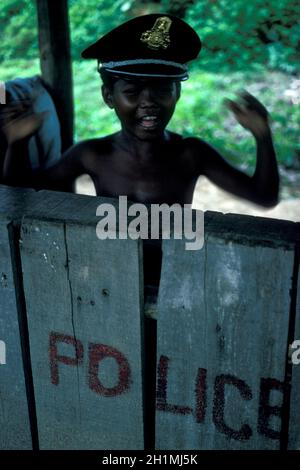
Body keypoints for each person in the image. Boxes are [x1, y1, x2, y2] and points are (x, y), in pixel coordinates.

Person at [1, 13, 279, 208]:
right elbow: (21, 194)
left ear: (177, 93)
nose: (149, 101)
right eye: (132, 92)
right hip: (112, 279)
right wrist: (18, 142)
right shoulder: (93, 154)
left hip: (175, 277)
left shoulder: (192, 154)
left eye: (161, 89)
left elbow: (264, 196)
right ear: (108, 96)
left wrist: (262, 136)